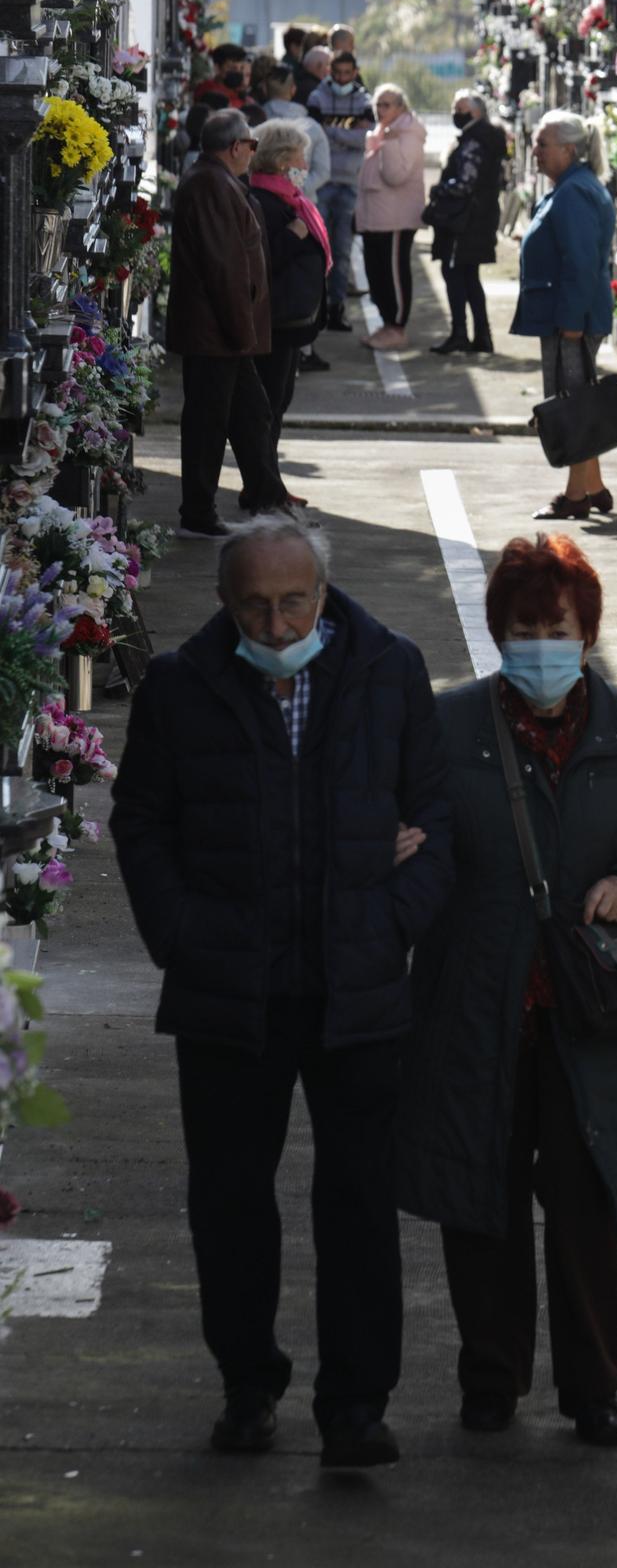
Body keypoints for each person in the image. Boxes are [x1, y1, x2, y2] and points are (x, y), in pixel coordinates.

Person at [111, 517, 451, 1471]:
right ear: (225, 604)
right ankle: (247, 1384)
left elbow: (437, 822)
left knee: (357, 1203)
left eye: (291, 601)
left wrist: (390, 923)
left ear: (322, 594)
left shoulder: (388, 670)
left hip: (357, 991)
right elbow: (141, 823)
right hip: (229, 994)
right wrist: (182, 935)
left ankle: (355, 1408)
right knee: (228, 1201)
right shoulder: (182, 686)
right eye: (254, 605)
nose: (274, 620)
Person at [397, 533, 617, 1449]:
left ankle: (593, 1391)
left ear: (587, 633)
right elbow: (407, 828)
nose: (541, 644)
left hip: (591, 1023)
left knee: (585, 1209)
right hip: (471, 1009)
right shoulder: (446, 730)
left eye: (557, 627)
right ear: (500, 633)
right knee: (477, 1203)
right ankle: (489, 1380)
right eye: (525, 628)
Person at [165, 109, 291, 539]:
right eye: (251, 146)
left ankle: (267, 498)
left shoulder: (217, 182)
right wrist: (242, 333)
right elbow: (224, 268)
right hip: (217, 333)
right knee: (207, 424)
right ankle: (198, 514)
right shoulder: (210, 184)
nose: (252, 155)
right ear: (236, 146)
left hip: (225, 332)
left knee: (252, 415)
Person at [513, 110, 616, 521]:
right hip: (566, 314)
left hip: (571, 318)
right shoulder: (571, 186)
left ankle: (575, 498)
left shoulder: (574, 193)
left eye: (543, 144)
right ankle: (594, 486)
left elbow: (580, 262)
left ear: (569, 150)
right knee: (578, 399)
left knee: (569, 405)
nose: (535, 151)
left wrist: (571, 322)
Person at [248, 119, 330, 455]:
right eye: (300, 159)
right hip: (275, 321)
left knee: (279, 399)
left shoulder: (289, 200)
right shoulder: (264, 202)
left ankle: (269, 479)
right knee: (270, 401)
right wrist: (293, 234)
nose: (305, 167)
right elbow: (261, 262)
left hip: (290, 322)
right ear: (282, 161)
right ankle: (265, 481)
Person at [427, 90, 506, 356]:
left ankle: (460, 333)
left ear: (475, 113)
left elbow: (465, 182)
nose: (455, 113)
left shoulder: (474, 141)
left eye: (459, 108)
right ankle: (481, 335)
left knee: (456, 275)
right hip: (479, 218)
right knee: (470, 276)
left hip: (465, 221)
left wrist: (439, 191)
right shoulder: (488, 138)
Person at [356, 83, 426, 351]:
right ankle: (387, 324)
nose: (380, 110)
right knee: (377, 273)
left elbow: (395, 176)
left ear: (401, 107)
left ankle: (396, 326)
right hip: (376, 218)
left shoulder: (406, 134)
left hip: (395, 219)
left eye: (387, 105)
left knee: (393, 273)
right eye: (377, 104)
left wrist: (390, 143)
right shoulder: (383, 131)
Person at [308, 50, 374, 332]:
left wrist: (332, 130)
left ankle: (337, 307)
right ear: (330, 72)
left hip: (349, 182)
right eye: (338, 73)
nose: (343, 79)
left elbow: (365, 139)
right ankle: (316, 307)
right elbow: (314, 134)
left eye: (348, 73)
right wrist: (348, 130)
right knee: (317, 249)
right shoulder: (317, 97)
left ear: (355, 72)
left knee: (343, 250)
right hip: (322, 181)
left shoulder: (364, 99)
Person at [264, 64, 330, 199]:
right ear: (293, 90)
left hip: (263, 200)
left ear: (265, 89)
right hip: (302, 203)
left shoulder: (255, 122)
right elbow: (323, 170)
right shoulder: (311, 126)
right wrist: (298, 188)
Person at [194, 42, 250, 108]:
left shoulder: (240, 93)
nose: (237, 72)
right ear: (217, 68)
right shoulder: (209, 92)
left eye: (241, 68)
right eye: (232, 68)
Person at [293, 42, 329, 108]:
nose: (330, 69)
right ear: (318, 66)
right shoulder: (316, 91)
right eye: (327, 65)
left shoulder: (296, 81)